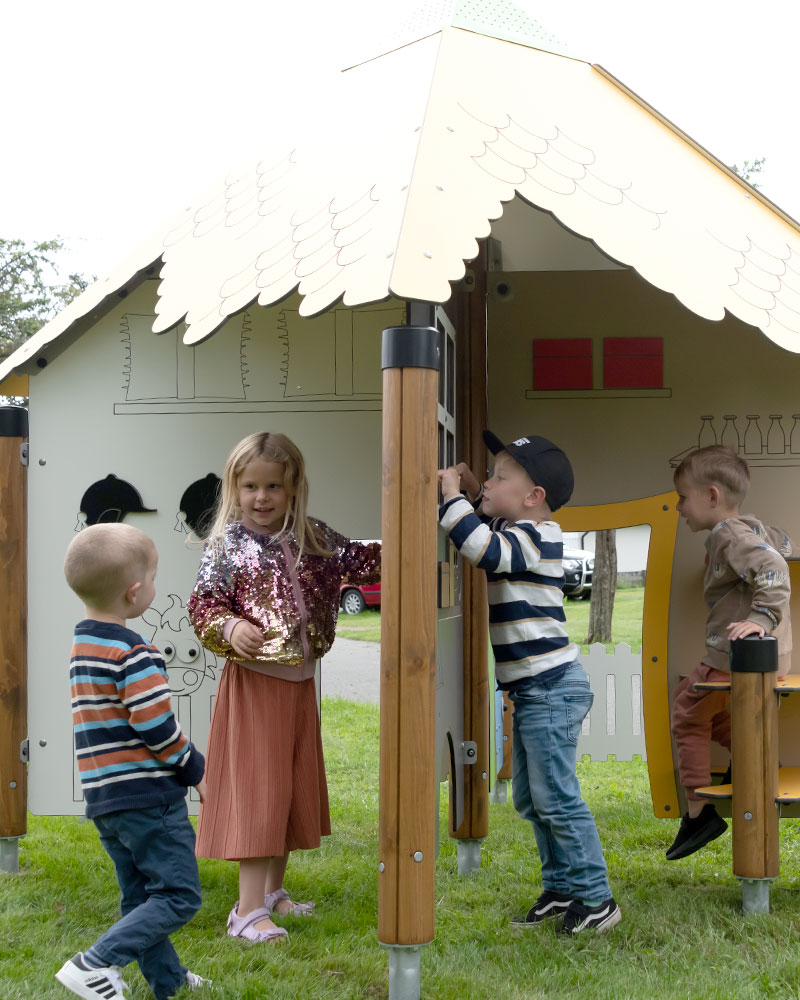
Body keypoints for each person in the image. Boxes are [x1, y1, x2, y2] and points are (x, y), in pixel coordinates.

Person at [187, 431, 380, 943]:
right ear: (235, 487)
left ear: (294, 486)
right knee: (259, 789)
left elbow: (367, 558)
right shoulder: (228, 545)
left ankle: (273, 894)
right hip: (255, 685)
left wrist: (430, 520)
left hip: (299, 683)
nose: (262, 497)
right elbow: (203, 605)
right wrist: (230, 628)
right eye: (250, 486)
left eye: (273, 485)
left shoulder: (314, 537)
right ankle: (245, 911)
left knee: (287, 787)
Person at [438, 431, 620, 935]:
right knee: (529, 797)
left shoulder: (537, 537)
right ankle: (561, 887)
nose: (489, 483)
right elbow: (487, 516)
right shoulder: (518, 525)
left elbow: (481, 547)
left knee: (556, 797)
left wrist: (453, 497)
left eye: (502, 476)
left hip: (552, 687)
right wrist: (479, 488)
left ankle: (596, 897)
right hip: (532, 690)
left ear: (533, 497)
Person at [57, 523, 210, 1000]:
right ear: (136, 592)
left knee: (141, 896)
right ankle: (95, 964)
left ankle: (167, 981)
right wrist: (196, 770)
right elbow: (157, 728)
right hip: (149, 799)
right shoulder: (133, 652)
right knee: (179, 895)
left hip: (107, 799)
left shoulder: (84, 648)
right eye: (156, 577)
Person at [668, 445, 792, 860]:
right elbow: (782, 546)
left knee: (687, 711)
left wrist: (761, 616)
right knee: (719, 713)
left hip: (736, 655)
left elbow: (775, 569)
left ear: (712, 496)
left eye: (684, 497)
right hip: (765, 657)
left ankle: (699, 813)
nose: (680, 506)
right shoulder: (749, 529)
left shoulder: (729, 534)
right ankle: (753, 759)